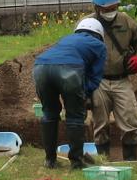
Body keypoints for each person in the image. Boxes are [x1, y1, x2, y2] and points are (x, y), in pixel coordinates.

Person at [32, 16, 107, 169]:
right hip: (69, 69)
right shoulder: (99, 45)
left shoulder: (67, 38)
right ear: (99, 34)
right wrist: (84, 94)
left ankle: (50, 160)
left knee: (49, 114)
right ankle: (77, 162)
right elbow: (95, 77)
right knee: (75, 116)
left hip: (40, 67)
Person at [89, 0, 137, 161]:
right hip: (98, 81)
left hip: (122, 80)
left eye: (114, 7)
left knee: (130, 123)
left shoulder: (126, 21)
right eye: (107, 8)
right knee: (100, 125)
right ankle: (103, 163)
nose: (111, 11)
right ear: (97, 8)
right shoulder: (88, 23)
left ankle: (131, 163)